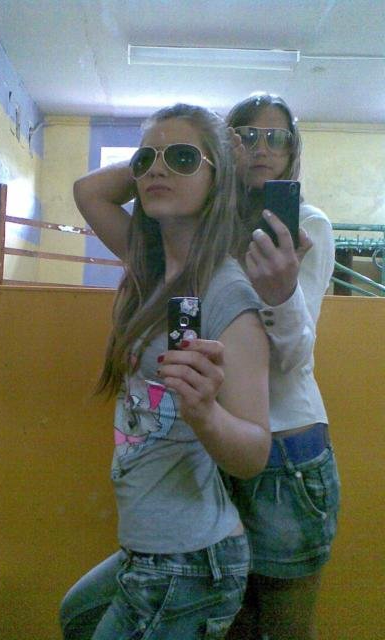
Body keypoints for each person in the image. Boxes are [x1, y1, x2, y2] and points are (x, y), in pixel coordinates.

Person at [59, 103, 271, 639]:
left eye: (181, 158)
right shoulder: (151, 265)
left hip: (190, 559)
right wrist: (164, 158)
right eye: (145, 159)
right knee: (75, 617)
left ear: (216, 178)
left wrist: (204, 413)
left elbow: (254, 453)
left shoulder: (227, 293)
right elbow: (89, 190)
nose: (156, 169)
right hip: (152, 547)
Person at [224, 93, 340, 640]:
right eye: (246, 136)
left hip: (287, 455)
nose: (261, 148)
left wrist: (281, 292)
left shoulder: (308, 224)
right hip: (220, 445)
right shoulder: (214, 226)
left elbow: (294, 357)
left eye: (276, 137)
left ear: (293, 150)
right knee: (233, 624)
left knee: (284, 629)